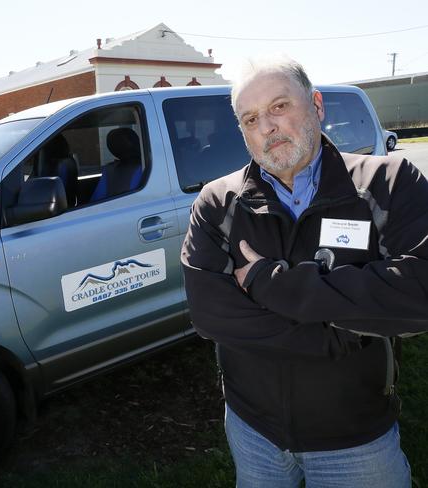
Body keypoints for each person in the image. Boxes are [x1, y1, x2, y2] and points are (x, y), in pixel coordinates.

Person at [181, 55, 428, 488]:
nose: (266, 127)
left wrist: (266, 283)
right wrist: (338, 336)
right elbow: (210, 313)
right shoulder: (218, 203)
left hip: (356, 438)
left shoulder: (387, 182)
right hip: (253, 431)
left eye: (279, 107)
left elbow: (419, 294)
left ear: (316, 105)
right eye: (250, 118)